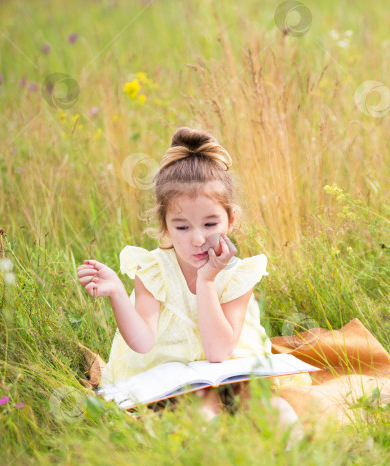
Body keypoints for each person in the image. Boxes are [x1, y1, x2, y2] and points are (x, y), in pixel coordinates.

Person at [75, 126, 306, 443]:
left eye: (210, 224)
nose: (198, 239)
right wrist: (116, 293)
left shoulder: (238, 274)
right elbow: (142, 342)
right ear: (165, 227)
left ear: (231, 220)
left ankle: (294, 463)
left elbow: (218, 352)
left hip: (231, 368)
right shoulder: (152, 270)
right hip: (178, 374)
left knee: (269, 409)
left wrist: (207, 279)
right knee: (200, 411)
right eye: (182, 226)